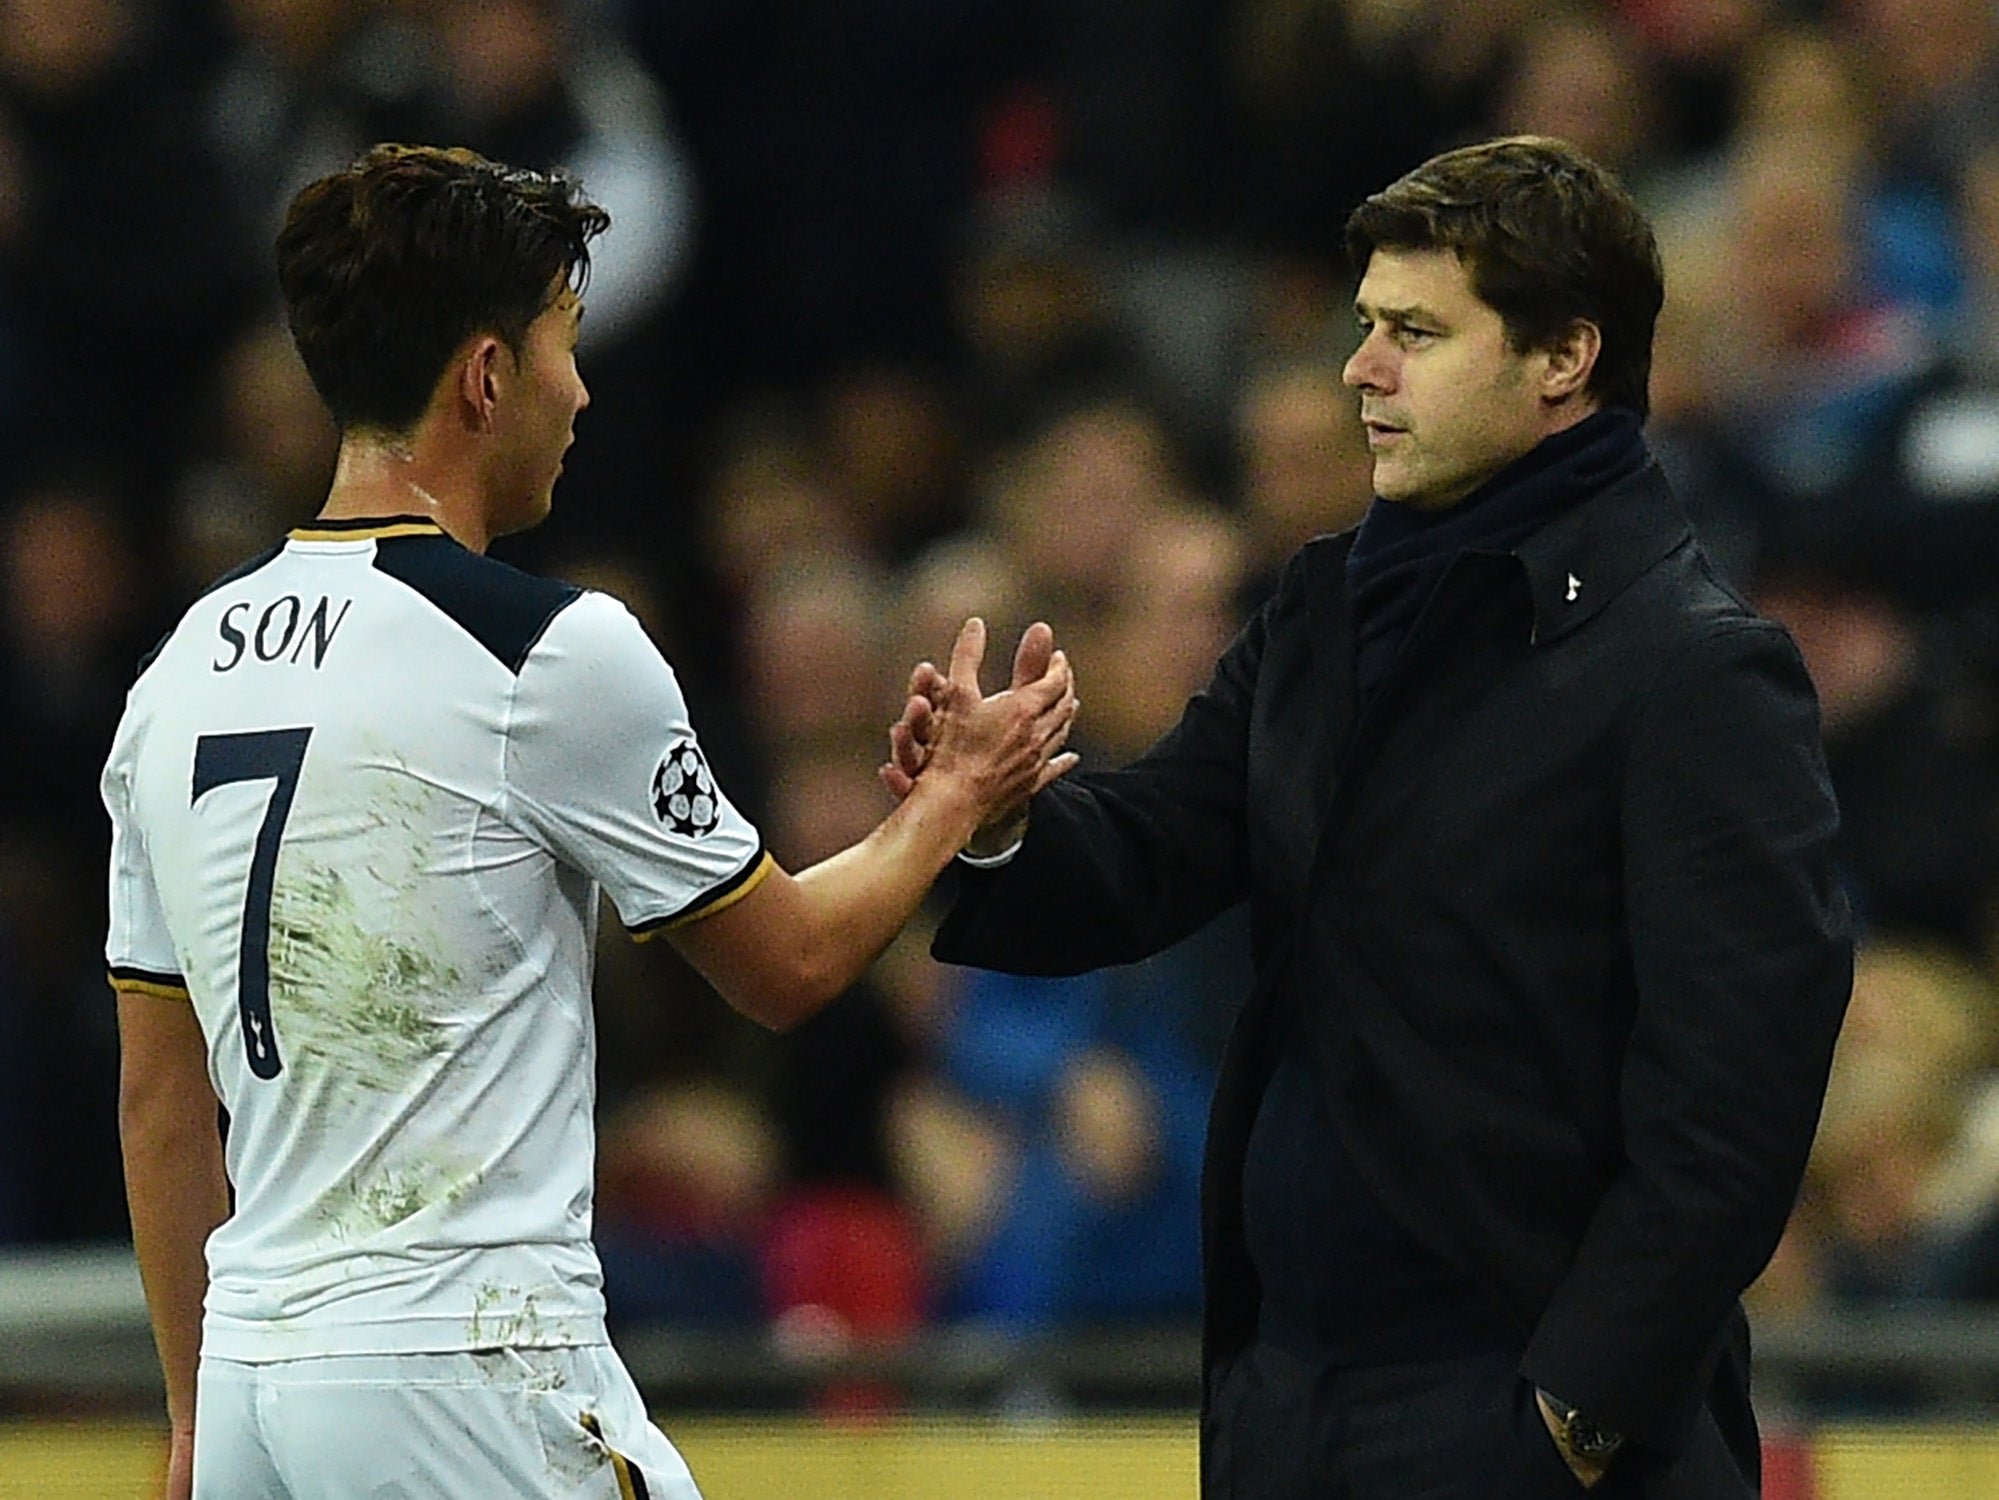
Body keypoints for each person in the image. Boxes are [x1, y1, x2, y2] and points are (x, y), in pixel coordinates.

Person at [103, 144, 1077, 1500]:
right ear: (486, 379)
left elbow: (160, 1101)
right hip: (470, 1366)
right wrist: (957, 799)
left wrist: (195, 1415)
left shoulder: (176, 677)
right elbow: (788, 964)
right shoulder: (546, 653)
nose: (584, 389)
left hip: (257, 1379)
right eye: (564, 343)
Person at [887, 135, 1853, 1498]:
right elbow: (1157, 848)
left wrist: (1573, 1416)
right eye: (1366, 327)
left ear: (1564, 357)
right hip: (1292, 1406)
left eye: (1414, 331)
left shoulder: (1694, 670)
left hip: (1528, 1425)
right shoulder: (1323, 612)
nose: (1361, 367)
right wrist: (987, 814)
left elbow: (1737, 1105)